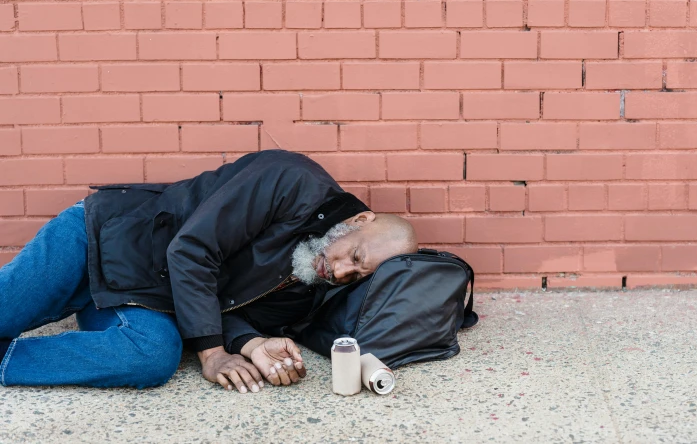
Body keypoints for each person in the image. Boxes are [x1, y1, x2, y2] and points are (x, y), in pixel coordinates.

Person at [0, 150, 417, 393]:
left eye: (357, 276)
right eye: (355, 256)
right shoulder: (292, 180)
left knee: (153, 358)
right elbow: (192, 249)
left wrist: (252, 344)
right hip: (103, 238)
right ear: (362, 220)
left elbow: (231, 312)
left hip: (145, 297)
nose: (342, 271)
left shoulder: (311, 282)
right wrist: (213, 353)